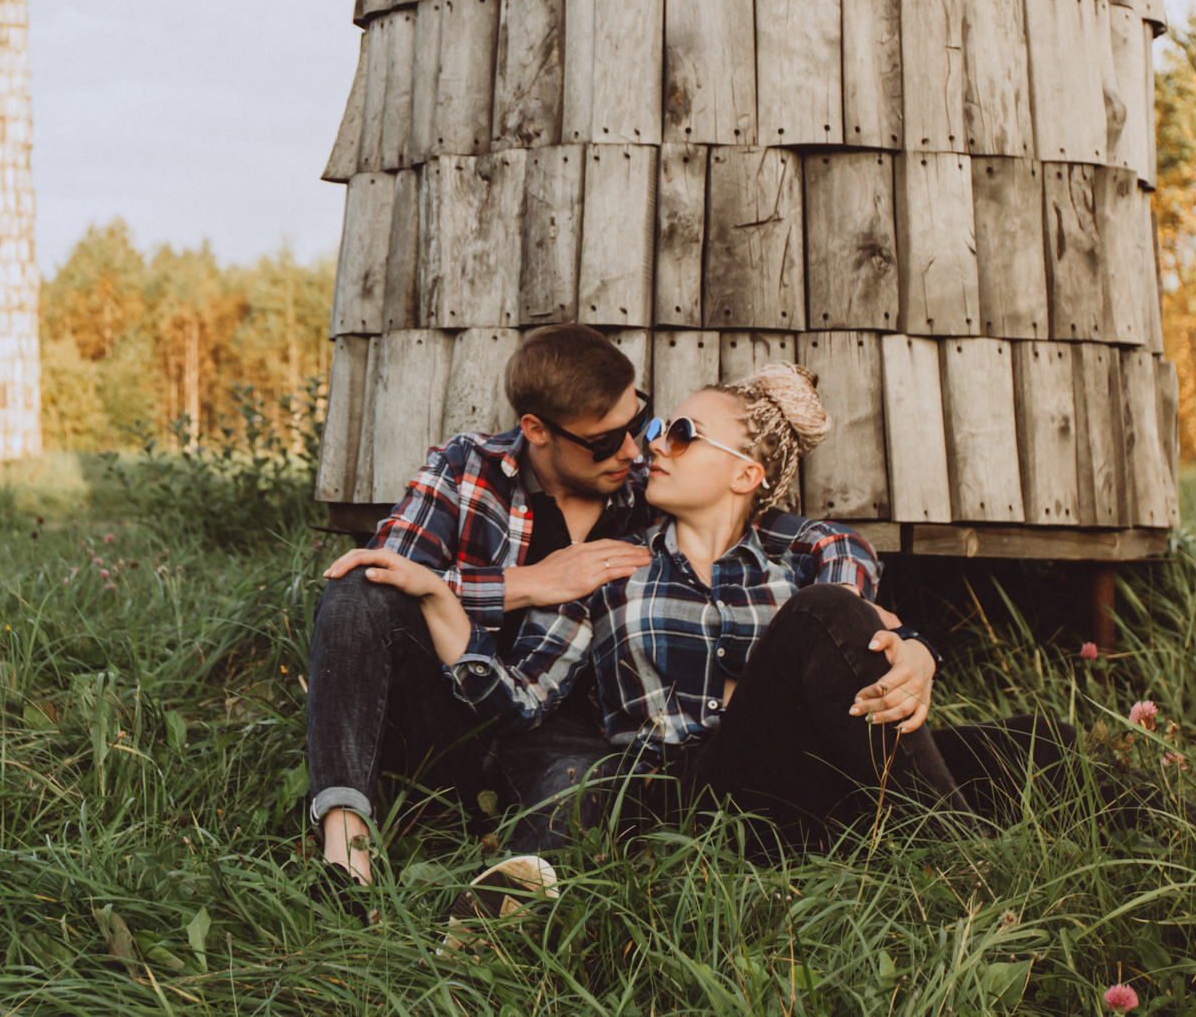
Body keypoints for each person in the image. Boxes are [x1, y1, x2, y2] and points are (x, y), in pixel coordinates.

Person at [364, 364, 1062, 858]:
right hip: (693, 789)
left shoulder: (801, 554)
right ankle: (961, 860)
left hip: (808, 761)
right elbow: (522, 703)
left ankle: (1156, 824)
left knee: (1037, 742)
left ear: (745, 474)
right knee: (821, 614)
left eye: (684, 432)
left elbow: (859, 601)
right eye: (662, 426)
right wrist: (442, 599)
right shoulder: (612, 564)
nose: (654, 445)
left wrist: (916, 648)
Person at [304, 328, 884, 892]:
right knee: (359, 589)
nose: (634, 450)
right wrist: (526, 584)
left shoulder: (648, 484)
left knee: (576, 787)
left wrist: (865, 624)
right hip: (463, 710)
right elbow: (390, 572)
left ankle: (513, 898)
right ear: (536, 430)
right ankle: (346, 850)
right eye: (605, 442)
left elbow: (814, 538)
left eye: (636, 425)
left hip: (585, 733)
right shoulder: (467, 469)